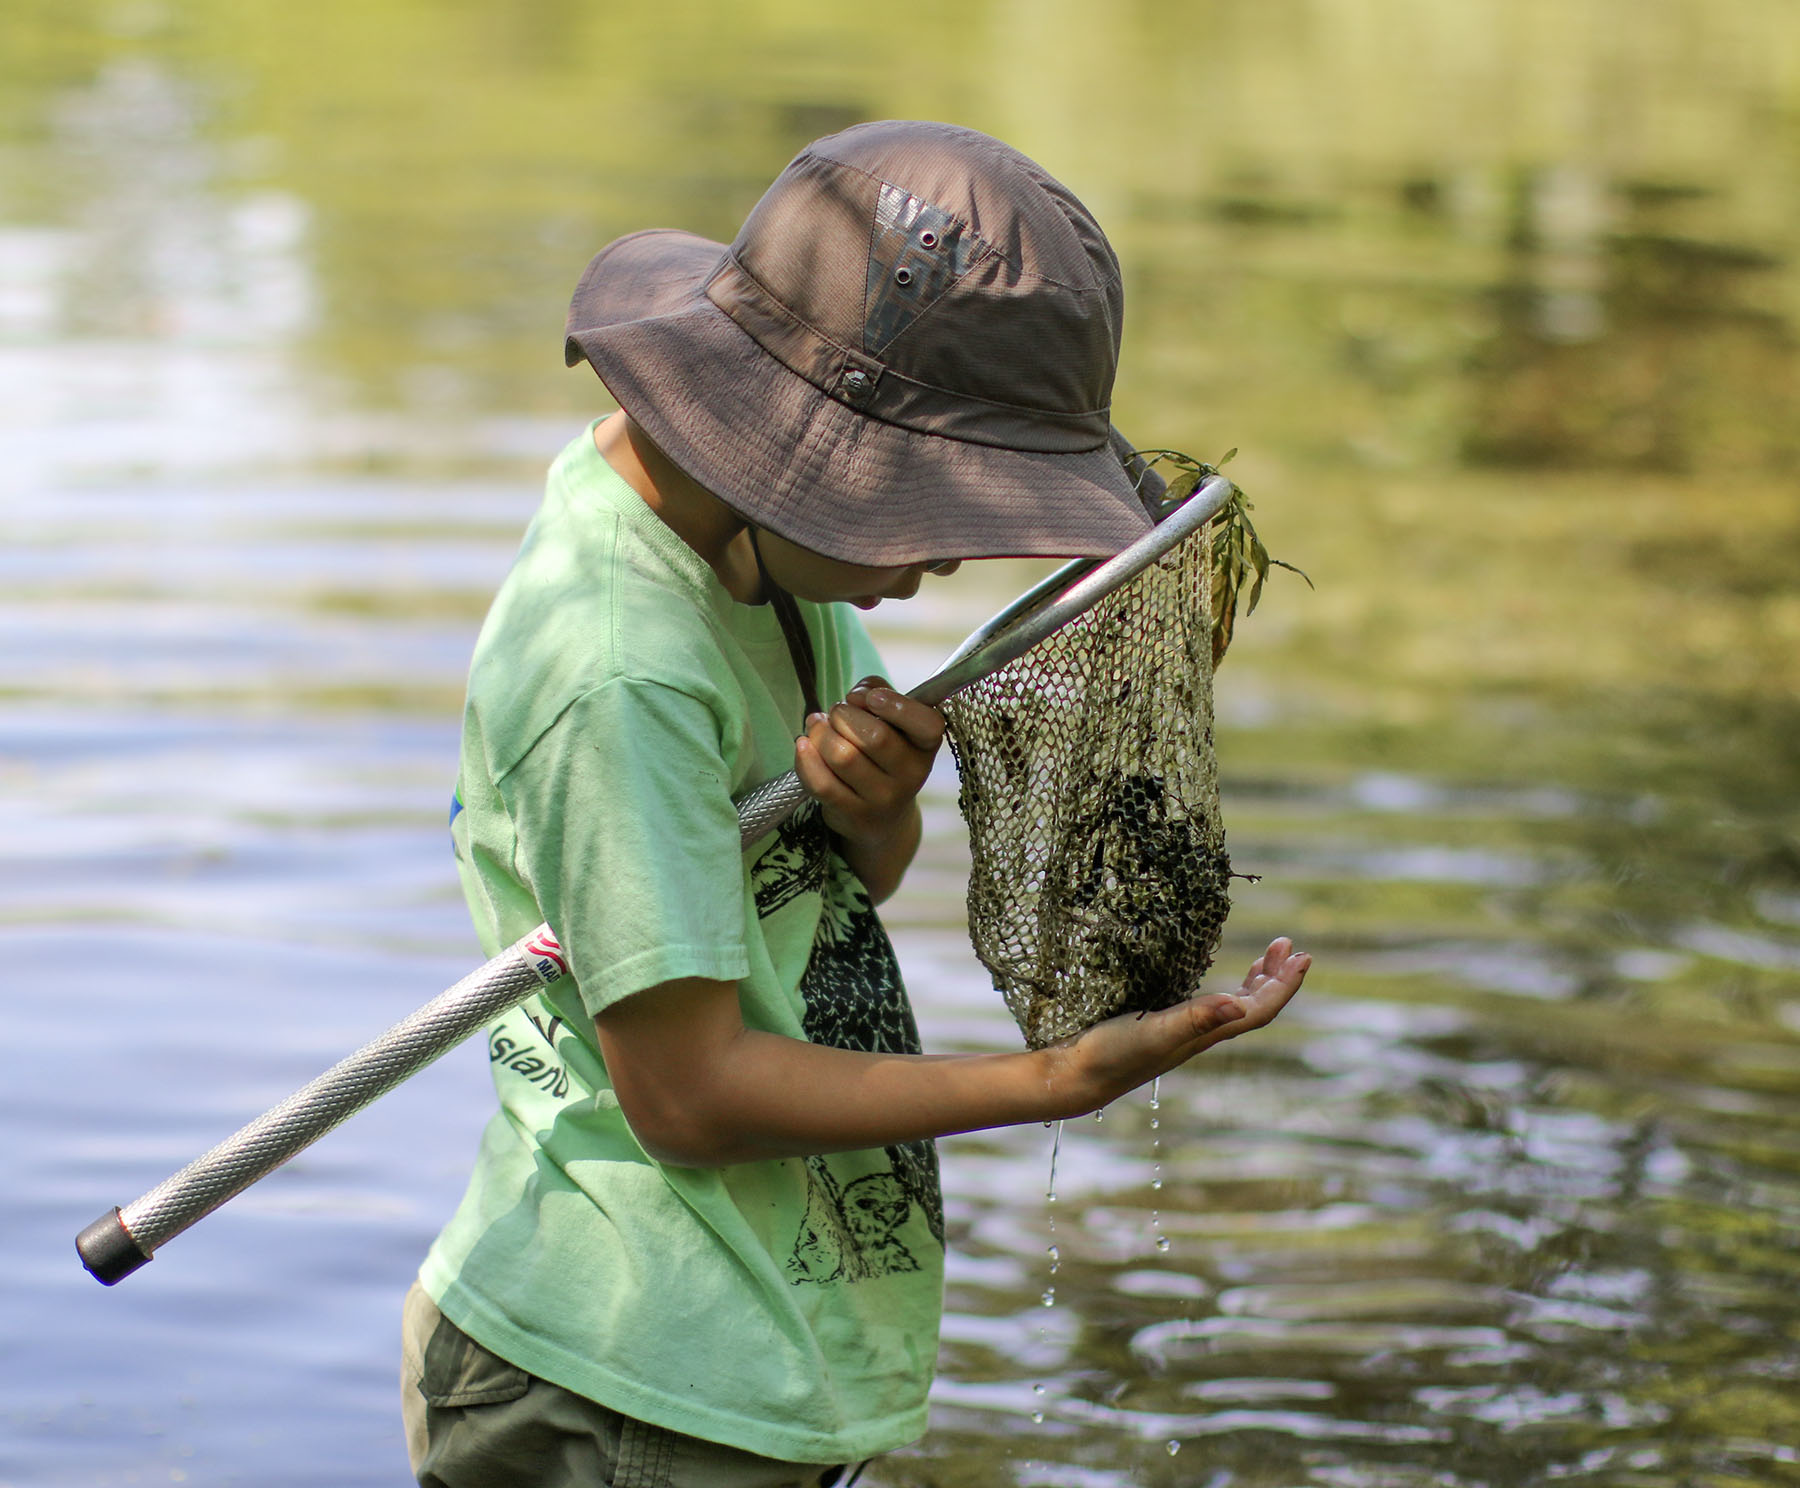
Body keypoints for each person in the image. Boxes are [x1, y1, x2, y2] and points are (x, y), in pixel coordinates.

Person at [401, 120, 1310, 1488]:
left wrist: (876, 816)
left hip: (745, 1342)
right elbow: (689, 1096)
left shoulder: (759, 565)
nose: (947, 550)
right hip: (627, 1381)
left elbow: (818, 894)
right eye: (929, 504)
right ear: (791, 448)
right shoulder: (618, 670)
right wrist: (1052, 1083)